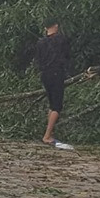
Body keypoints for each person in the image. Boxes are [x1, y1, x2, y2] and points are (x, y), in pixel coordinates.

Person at [34, 18, 74, 150]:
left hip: (45, 75)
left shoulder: (40, 42)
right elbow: (67, 56)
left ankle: (50, 132)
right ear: (56, 25)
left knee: (51, 103)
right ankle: (47, 136)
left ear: (45, 27)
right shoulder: (61, 40)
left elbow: (39, 60)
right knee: (57, 105)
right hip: (56, 73)